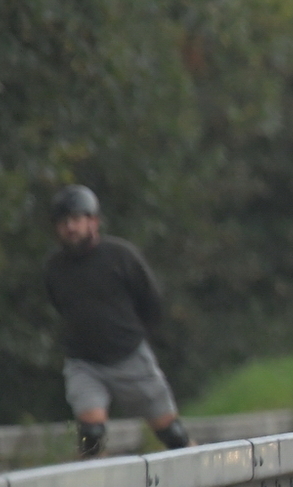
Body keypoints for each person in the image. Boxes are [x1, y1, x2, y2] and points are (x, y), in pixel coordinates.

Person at [42, 186, 189, 457]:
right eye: (63, 223)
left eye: (76, 220)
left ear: (93, 222)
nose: (70, 228)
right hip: (84, 362)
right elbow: (61, 307)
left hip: (129, 355)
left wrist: (135, 336)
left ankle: (199, 473)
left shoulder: (120, 256)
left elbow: (150, 301)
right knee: (91, 433)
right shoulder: (55, 268)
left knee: (171, 433)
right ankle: (94, 483)